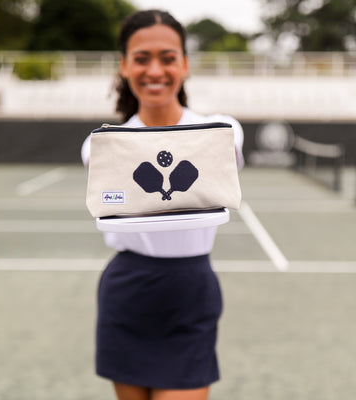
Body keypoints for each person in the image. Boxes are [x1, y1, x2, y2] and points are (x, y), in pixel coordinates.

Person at [81, 9, 244, 400]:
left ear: (185, 64)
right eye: (141, 59)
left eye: (168, 58)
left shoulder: (223, 131)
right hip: (128, 289)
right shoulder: (101, 146)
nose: (155, 70)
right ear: (124, 66)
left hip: (191, 289)